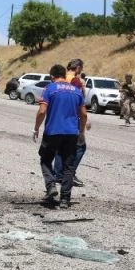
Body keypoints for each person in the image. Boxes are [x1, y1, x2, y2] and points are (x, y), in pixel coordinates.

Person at [33, 64, 87, 209]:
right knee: (68, 166)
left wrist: (36, 128)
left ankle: (51, 187)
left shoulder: (49, 89)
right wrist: (81, 132)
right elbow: (84, 114)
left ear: (52, 77)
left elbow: (42, 111)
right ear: (64, 75)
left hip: (53, 132)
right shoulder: (76, 91)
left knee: (45, 160)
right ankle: (64, 200)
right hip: (71, 133)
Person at [53, 58, 88, 188]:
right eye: (81, 68)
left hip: (58, 116)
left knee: (59, 146)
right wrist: (85, 120)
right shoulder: (76, 81)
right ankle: (69, 173)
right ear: (78, 67)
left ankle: (58, 174)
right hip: (73, 117)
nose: (81, 71)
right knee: (80, 147)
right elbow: (77, 101)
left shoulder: (60, 78)